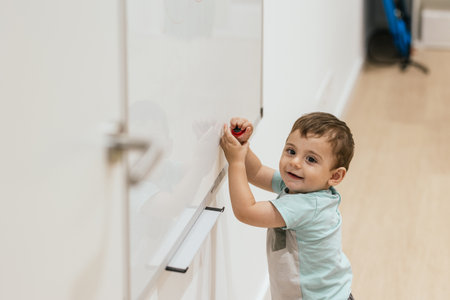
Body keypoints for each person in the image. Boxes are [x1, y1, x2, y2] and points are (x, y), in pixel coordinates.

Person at [220, 112, 355, 300]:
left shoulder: (306, 206)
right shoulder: (301, 186)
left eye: (311, 159)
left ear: (335, 176)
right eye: (291, 151)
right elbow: (256, 171)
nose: (295, 162)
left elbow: (246, 211)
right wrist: (242, 145)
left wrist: (235, 161)